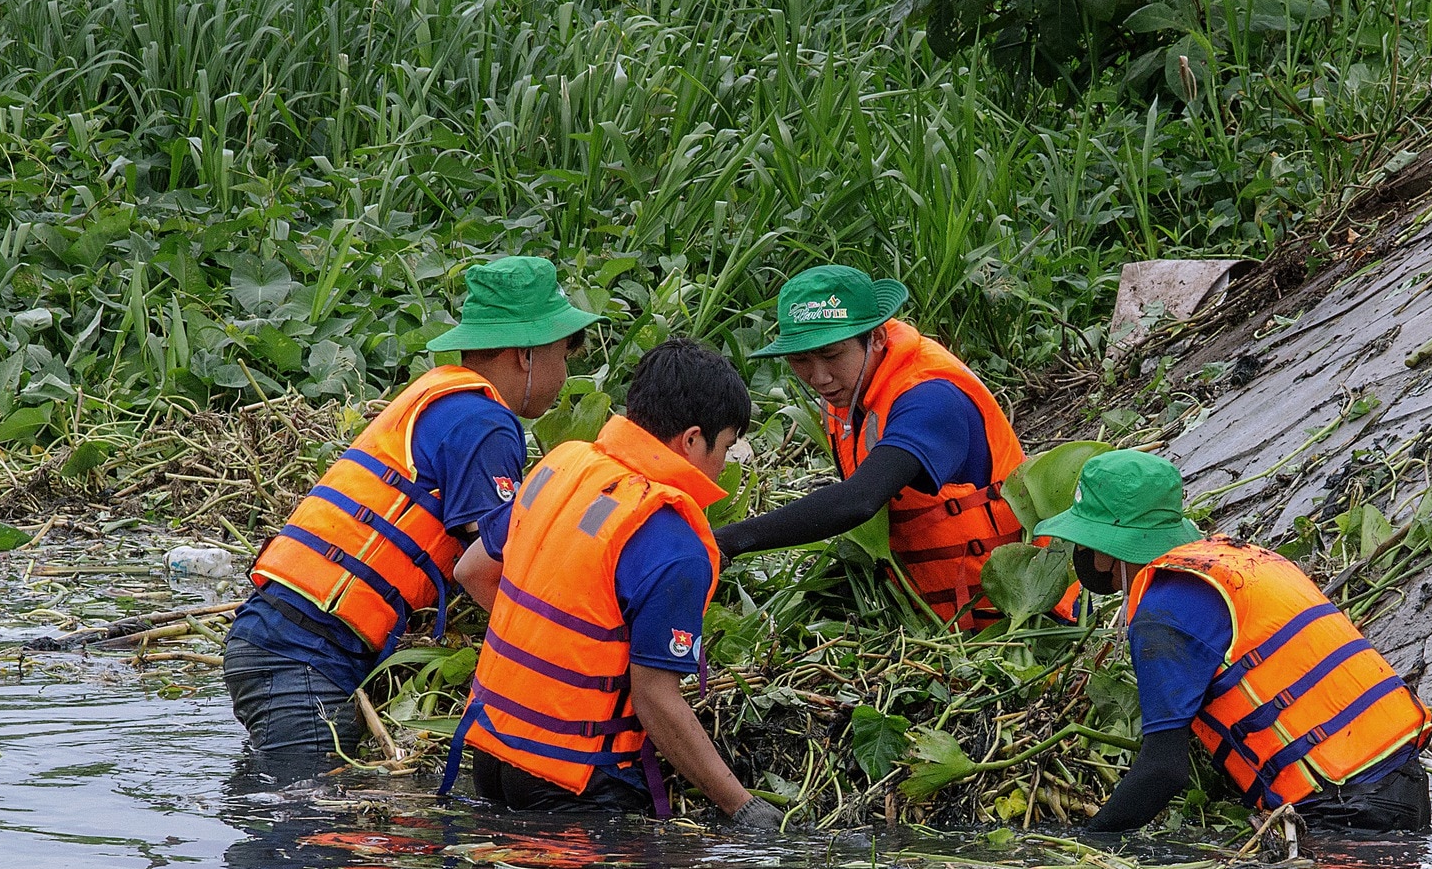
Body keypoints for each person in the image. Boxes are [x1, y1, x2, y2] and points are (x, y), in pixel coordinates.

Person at [223, 255, 601, 774]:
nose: (564, 373)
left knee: (282, 805)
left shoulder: (442, 396)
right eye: (563, 354)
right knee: (301, 833)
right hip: (303, 654)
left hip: (277, 637)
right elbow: (495, 564)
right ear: (526, 355)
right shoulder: (484, 424)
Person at [443, 337, 783, 831]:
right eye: (726, 446)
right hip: (575, 780)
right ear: (691, 440)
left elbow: (472, 570)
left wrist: (559, 651)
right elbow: (655, 699)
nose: (725, 465)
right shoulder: (672, 540)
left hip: (491, 754)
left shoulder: (562, 466)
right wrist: (741, 806)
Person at [1039, 450, 1432, 835]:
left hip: (1348, 808)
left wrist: (1089, 841)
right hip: (1407, 781)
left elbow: (1163, 771)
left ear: (1104, 554)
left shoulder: (1162, 612)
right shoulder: (1243, 560)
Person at [711, 264, 1032, 629]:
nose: (819, 377)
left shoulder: (931, 398)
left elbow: (858, 501)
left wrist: (727, 541)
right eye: (800, 360)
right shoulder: (850, 394)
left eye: (831, 355)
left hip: (1006, 621)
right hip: (931, 617)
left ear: (877, 337)